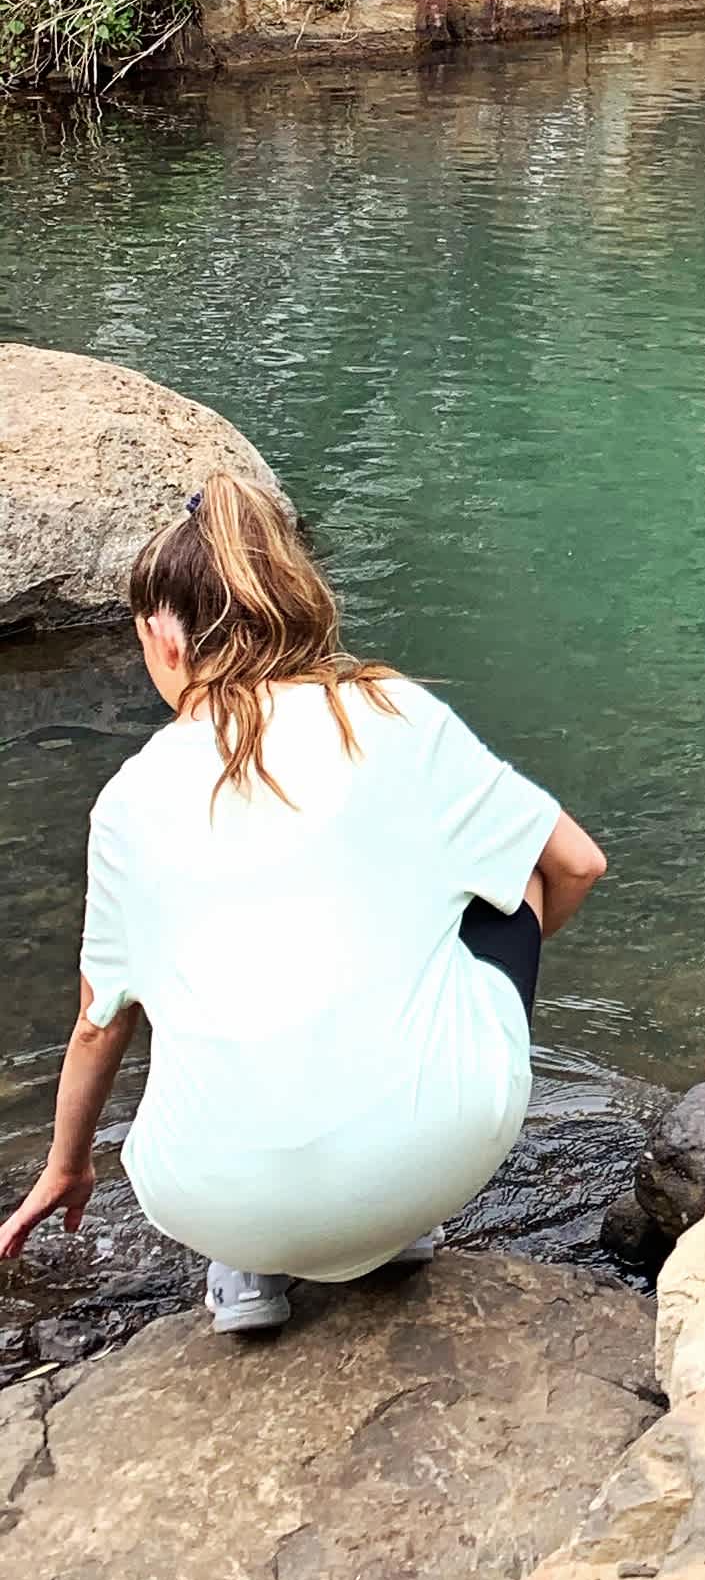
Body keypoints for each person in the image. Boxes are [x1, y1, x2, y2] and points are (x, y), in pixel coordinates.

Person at [0, 473, 607, 1336]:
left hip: (213, 1202)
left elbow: (102, 1025)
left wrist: (67, 1168)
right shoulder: (390, 714)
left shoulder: (128, 798)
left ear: (164, 639)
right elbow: (580, 864)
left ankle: (248, 1270)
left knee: (210, 967)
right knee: (515, 878)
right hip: (434, 1160)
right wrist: (448, 965)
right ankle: (396, 1217)